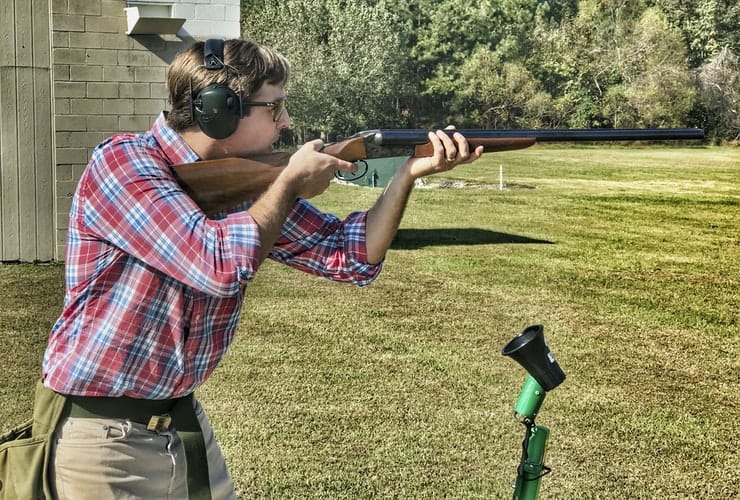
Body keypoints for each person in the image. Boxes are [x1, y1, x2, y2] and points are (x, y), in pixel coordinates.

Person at [39, 38, 482, 499]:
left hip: (180, 421)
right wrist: (290, 182)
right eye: (274, 107)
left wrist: (407, 173)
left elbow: (351, 256)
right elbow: (218, 264)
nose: (286, 121)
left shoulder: (247, 186)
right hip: (101, 437)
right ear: (218, 111)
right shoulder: (123, 163)